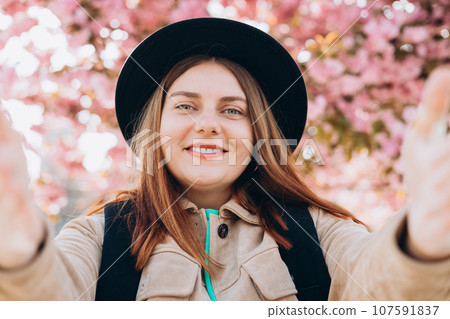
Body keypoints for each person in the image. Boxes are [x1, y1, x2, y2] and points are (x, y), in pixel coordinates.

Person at [0, 17, 449, 301]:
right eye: (185, 105)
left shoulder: (316, 232)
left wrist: (424, 245)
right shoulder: (102, 235)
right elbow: (50, 294)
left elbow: (382, 289)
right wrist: (19, 260)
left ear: (259, 133)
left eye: (233, 110)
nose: (209, 124)